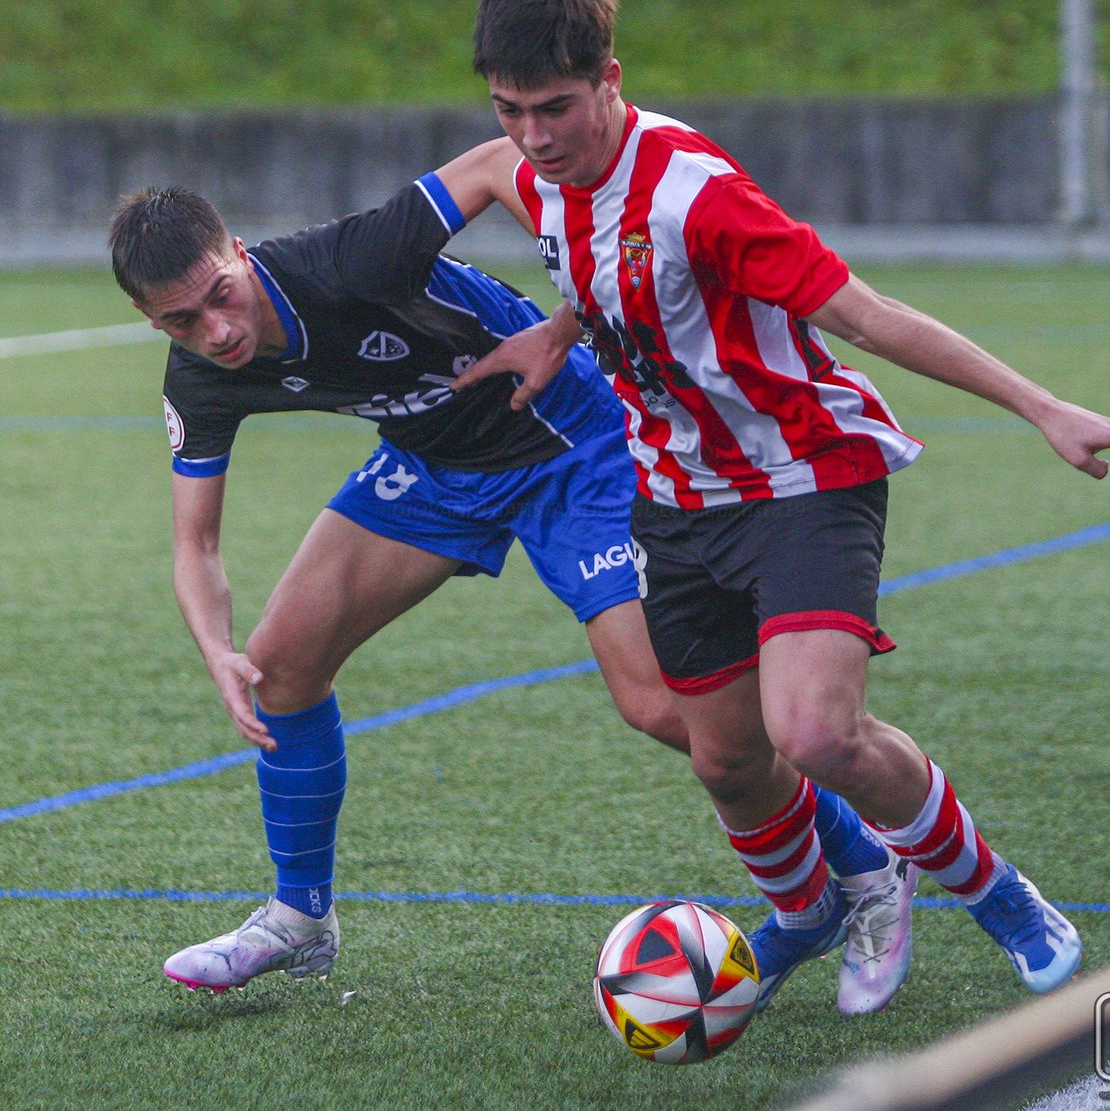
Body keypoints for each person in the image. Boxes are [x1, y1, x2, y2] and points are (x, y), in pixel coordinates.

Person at [442, 0, 1110, 1002]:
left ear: (611, 77)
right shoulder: (536, 178)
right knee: (727, 762)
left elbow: (866, 315)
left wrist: (1042, 406)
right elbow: (601, 266)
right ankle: (820, 907)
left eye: (555, 108)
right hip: (674, 498)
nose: (531, 136)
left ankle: (1000, 894)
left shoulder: (699, 196)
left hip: (801, 475)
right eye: (509, 110)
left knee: (815, 733)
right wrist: (556, 334)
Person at [108, 183, 917, 1014]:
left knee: (664, 708)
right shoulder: (202, 378)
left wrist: (568, 298)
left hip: (573, 445)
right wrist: (215, 647)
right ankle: (300, 917)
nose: (218, 331)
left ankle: (866, 866)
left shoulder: (350, 258)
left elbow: (500, 161)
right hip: (438, 464)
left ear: (239, 251)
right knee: (278, 671)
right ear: (150, 320)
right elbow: (194, 544)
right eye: (181, 322)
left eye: (221, 296)